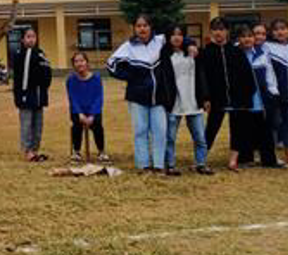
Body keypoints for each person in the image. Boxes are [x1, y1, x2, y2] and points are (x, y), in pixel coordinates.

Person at [107, 15, 176, 173]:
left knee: (160, 131)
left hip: (159, 97)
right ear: (134, 28)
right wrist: (129, 76)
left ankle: (158, 165)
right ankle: (143, 164)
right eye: (138, 26)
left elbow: (178, 38)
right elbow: (111, 64)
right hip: (137, 97)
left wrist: (190, 44)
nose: (142, 29)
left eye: (145, 25)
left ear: (151, 27)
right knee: (140, 131)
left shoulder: (160, 41)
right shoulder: (128, 46)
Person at [200, 17, 257, 163]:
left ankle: (233, 160)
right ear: (210, 32)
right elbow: (203, 77)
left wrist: (247, 94)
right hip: (216, 98)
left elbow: (247, 75)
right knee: (211, 128)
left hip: (238, 98)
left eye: (221, 29)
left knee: (237, 129)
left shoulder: (236, 51)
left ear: (227, 31)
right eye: (215, 29)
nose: (218, 32)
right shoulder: (205, 53)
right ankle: (201, 159)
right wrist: (205, 97)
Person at [160, 25, 212, 176]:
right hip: (174, 103)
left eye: (180, 34)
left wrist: (205, 97)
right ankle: (170, 165)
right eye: (173, 34)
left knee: (200, 137)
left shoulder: (192, 52)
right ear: (168, 37)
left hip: (193, 102)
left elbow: (202, 76)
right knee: (170, 138)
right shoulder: (164, 55)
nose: (177, 37)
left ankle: (201, 164)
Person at [237, 25, 280, 168]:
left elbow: (269, 73)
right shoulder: (235, 53)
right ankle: (245, 159)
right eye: (243, 37)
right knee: (245, 130)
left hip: (262, 98)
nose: (247, 39)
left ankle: (269, 160)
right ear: (239, 39)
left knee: (265, 131)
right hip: (244, 100)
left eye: (250, 36)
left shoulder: (262, 53)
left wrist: (273, 91)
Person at [13, 28, 52, 163]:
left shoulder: (41, 54)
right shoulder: (19, 54)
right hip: (25, 95)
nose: (31, 39)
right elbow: (18, 78)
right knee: (27, 124)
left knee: (38, 124)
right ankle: (27, 150)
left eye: (33, 36)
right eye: (28, 37)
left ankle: (35, 149)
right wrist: (19, 96)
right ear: (22, 39)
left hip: (39, 95)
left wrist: (44, 89)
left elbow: (47, 73)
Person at [66, 52, 109, 163]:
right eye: (76, 61)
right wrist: (80, 113)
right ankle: (76, 152)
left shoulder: (96, 78)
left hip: (93, 111)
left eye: (82, 60)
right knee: (76, 125)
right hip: (78, 111)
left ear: (87, 62)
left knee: (98, 125)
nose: (79, 64)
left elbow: (98, 97)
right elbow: (72, 98)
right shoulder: (71, 80)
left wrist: (92, 115)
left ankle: (101, 151)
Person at [265, 18, 288, 165]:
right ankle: (272, 157)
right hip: (275, 95)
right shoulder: (267, 47)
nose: (280, 32)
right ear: (272, 32)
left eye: (283, 28)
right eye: (276, 29)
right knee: (274, 124)